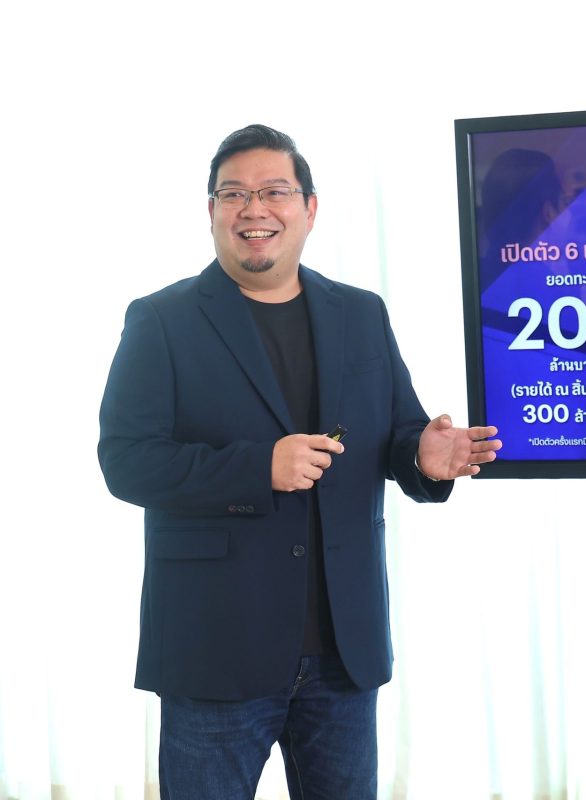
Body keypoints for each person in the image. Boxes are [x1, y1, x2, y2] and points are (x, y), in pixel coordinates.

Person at [97, 124, 501, 799]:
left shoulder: (361, 314)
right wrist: (259, 468)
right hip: (215, 649)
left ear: (309, 208)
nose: (253, 209)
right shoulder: (161, 320)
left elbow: (397, 433)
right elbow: (126, 461)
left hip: (343, 652)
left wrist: (424, 457)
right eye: (234, 194)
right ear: (211, 211)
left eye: (274, 192)